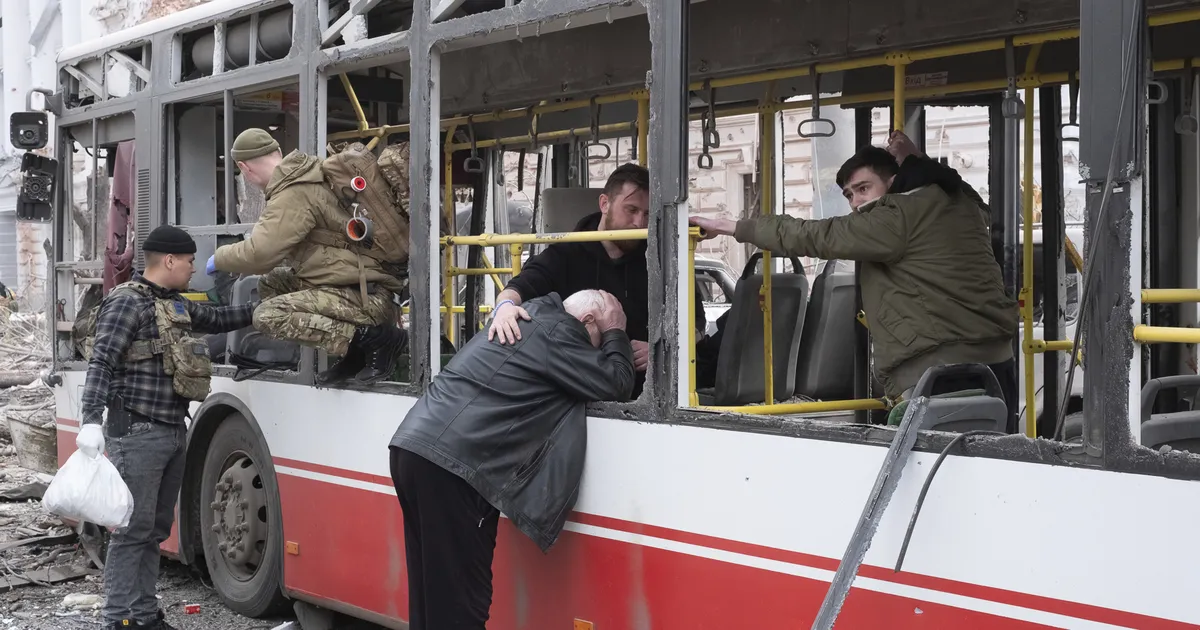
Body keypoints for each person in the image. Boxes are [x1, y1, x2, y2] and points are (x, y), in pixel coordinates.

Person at [690, 132, 1019, 431]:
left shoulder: (895, 216)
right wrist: (916, 159)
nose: (856, 202)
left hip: (940, 370)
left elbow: (814, 236)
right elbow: (966, 192)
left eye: (863, 189)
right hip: (998, 361)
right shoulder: (959, 206)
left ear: (893, 182)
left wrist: (732, 226)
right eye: (849, 195)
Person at [389, 289, 635, 630]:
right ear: (587, 321)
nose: (594, 350)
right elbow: (616, 382)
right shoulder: (560, 332)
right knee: (461, 606)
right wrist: (616, 332)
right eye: (596, 338)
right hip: (453, 467)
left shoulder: (532, 318)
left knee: (431, 596)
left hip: (413, 447)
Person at [75, 226, 259, 630]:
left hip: (171, 430)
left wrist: (261, 311)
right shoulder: (126, 303)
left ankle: (143, 616)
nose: (195, 268)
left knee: (154, 530)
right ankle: (118, 619)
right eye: (191, 261)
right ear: (170, 261)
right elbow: (101, 361)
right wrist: (90, 421)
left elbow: (214, 318)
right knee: (131, 531)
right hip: (137, 433)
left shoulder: (172, 303)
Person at [208, 128, 405, 385]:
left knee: (268, 316)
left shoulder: (293, 192)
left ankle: (375, 339)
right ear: (278, 152)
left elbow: (260, 254)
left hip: (365, 295)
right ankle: (355, 351)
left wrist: (219, 257)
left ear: (244, 168)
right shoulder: (310, 173)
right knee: (271, 283)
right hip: (362, 283)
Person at [487, 163, 704, 395]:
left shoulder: (660, 259)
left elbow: (697, 323)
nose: (640, 223)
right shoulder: (566, 253)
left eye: (648, 214)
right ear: (604, 204)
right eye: (631, 210)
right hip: (579, 387)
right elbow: (520, 286)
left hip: (651, 392)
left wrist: (663, 351)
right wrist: (505, 307)